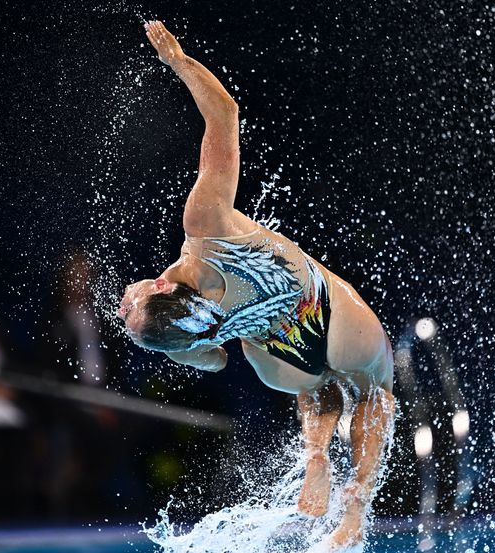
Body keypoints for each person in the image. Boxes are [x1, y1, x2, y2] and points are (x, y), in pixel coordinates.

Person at [117, 21, 395, 550]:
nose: (122, 300)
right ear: (156, 285)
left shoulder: (190, 343)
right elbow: (224, 113)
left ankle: (316, 454)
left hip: (278, 365)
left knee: (317, 387)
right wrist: (177, 60)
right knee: (377, 389)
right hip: (330, 313)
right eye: (130, 304)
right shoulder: (204, 226)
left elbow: (219, 361)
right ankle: (355, 505)